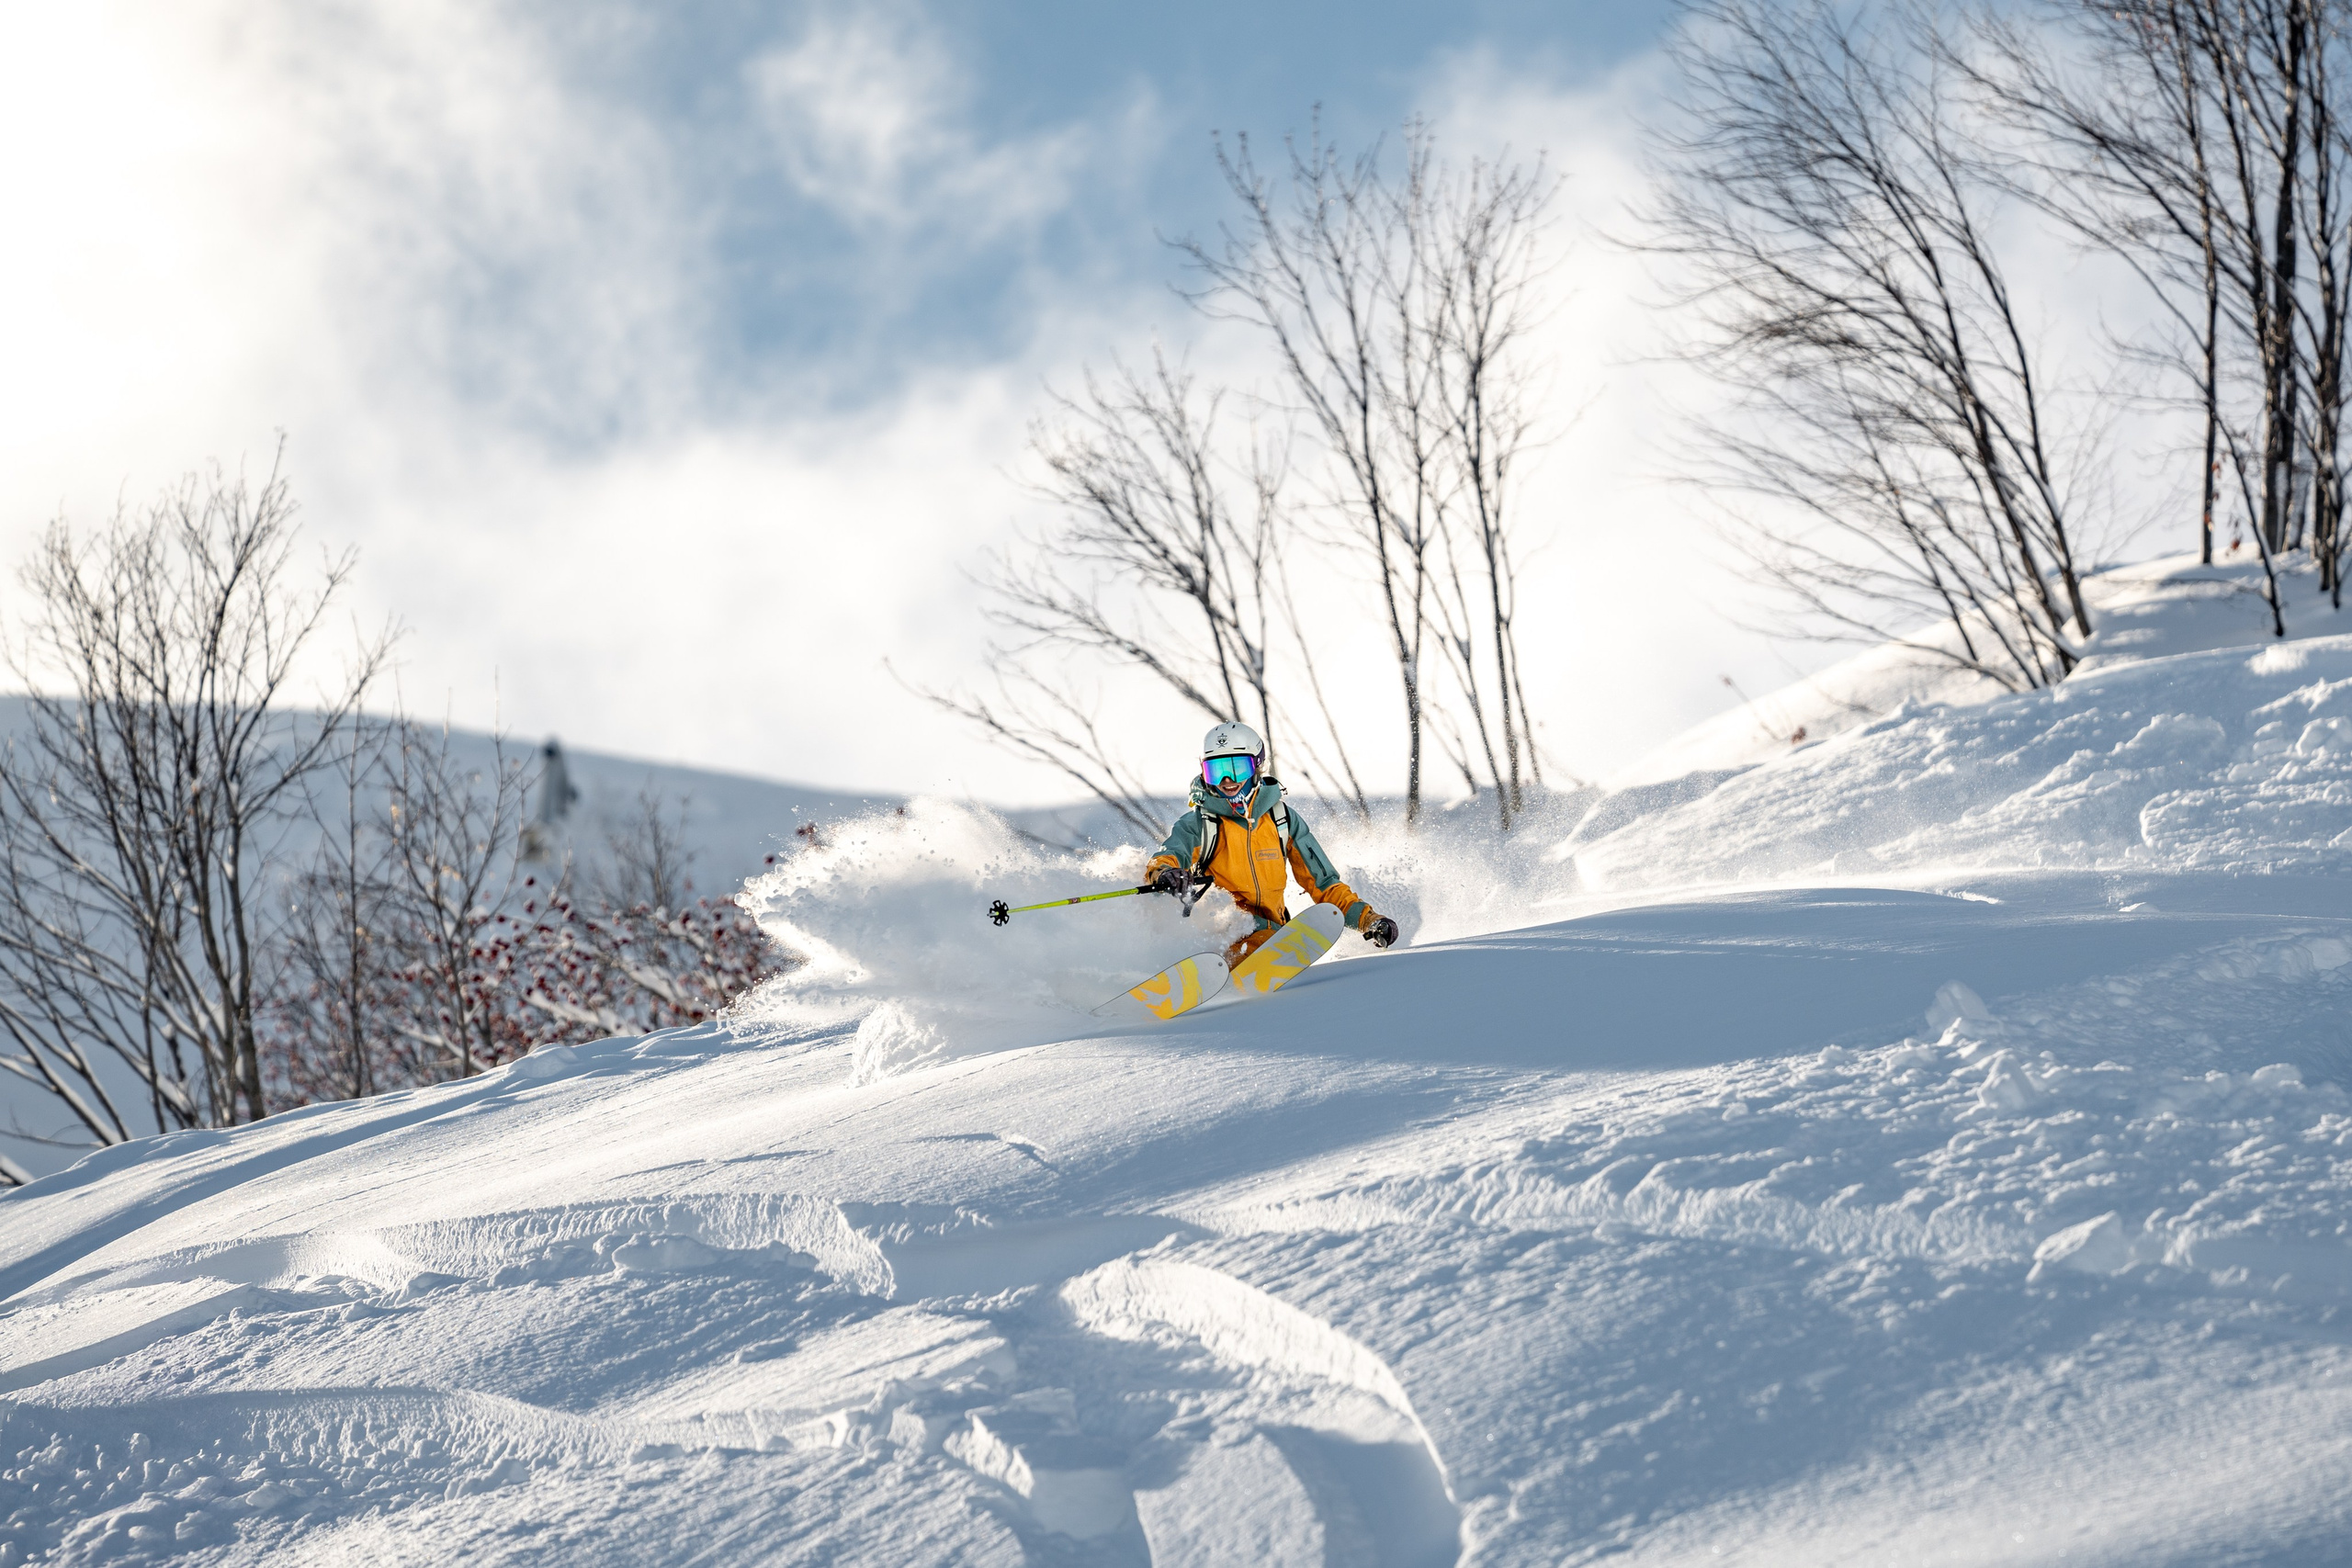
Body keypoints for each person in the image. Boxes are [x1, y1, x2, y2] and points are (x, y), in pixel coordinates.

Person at [1146, 721, 1399, 965]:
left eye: (1237, 768)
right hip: (1222, 933)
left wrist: (1368, 920)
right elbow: (1167, 857)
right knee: (1246, 941)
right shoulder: (1199, 825)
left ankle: (1252, 965)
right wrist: (1167, 874)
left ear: (1257, 766)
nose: (1226, 780)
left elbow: (1323, 884)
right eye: (1216, 770)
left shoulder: (1282, 820)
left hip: (1274, 935)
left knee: (1267, 940)